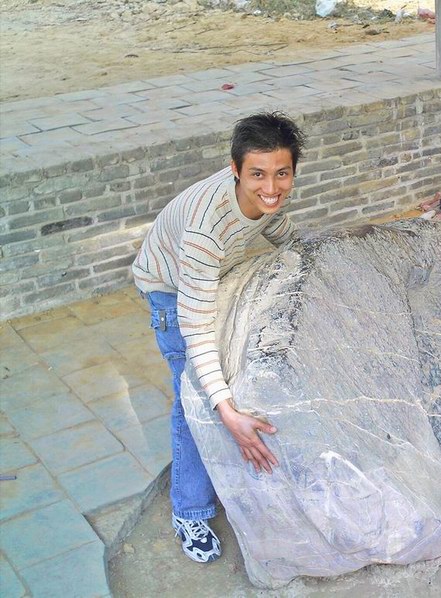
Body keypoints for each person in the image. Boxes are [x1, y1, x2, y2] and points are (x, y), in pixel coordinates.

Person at [132, 112, 306, 563]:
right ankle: (189, 510)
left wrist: (306, 254)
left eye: (282, 173)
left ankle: (229, 471)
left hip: (215, 277)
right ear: (235, 170)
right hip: (171, 292)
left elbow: (271, 222)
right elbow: (194, 325)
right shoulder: (205, 232)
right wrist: (225, 409)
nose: (272, 187)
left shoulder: (266, 193)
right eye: (258, 175)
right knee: (194, 401)